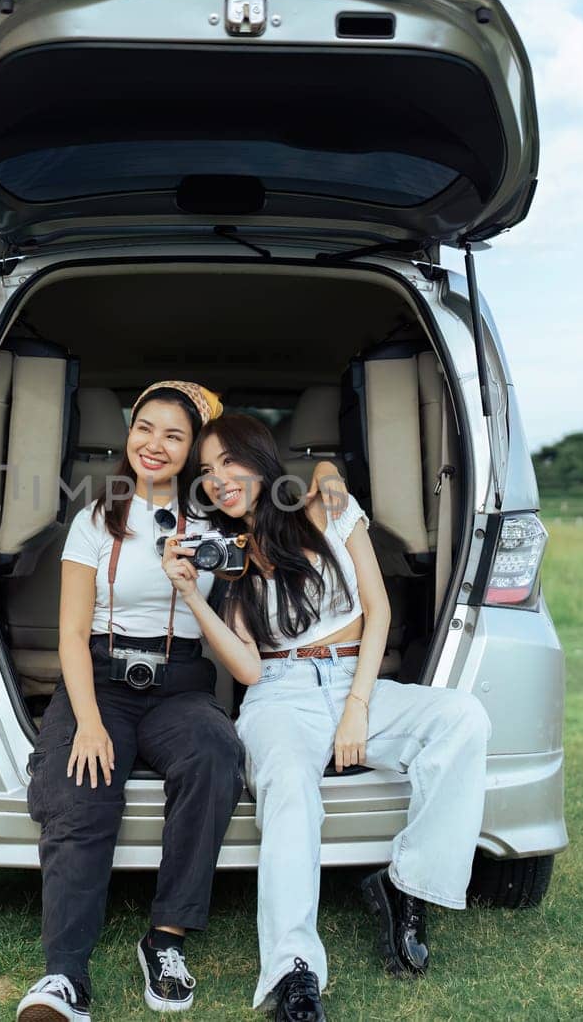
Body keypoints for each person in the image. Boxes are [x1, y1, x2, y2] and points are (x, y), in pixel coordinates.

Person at [162, 414, 491, 1021]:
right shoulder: (226, 557)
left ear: (260, 459)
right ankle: (294, 972)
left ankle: (405, 884)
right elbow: (248, 671)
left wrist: (357, 709)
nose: (218, 480)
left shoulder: (328, 509)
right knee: (289, 785)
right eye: (206, 472)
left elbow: (379, 610)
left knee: (463, 718)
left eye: (228, 462)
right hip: (278, 696)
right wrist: (190, 593)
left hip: (351, 680)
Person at [17, 381, 246, 1022]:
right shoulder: (95, 518)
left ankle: (165, 941)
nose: (154, 444)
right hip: (100, 678)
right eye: (145, 427)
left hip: (180, 684)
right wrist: (87, 722)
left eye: (174, 436)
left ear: (194, 449)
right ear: (128, 433)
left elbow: (261, 569)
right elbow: (69, 632)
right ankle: (63, 978)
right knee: (80, 786)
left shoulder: (219, 525)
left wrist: (216, 566)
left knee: (215, 753)